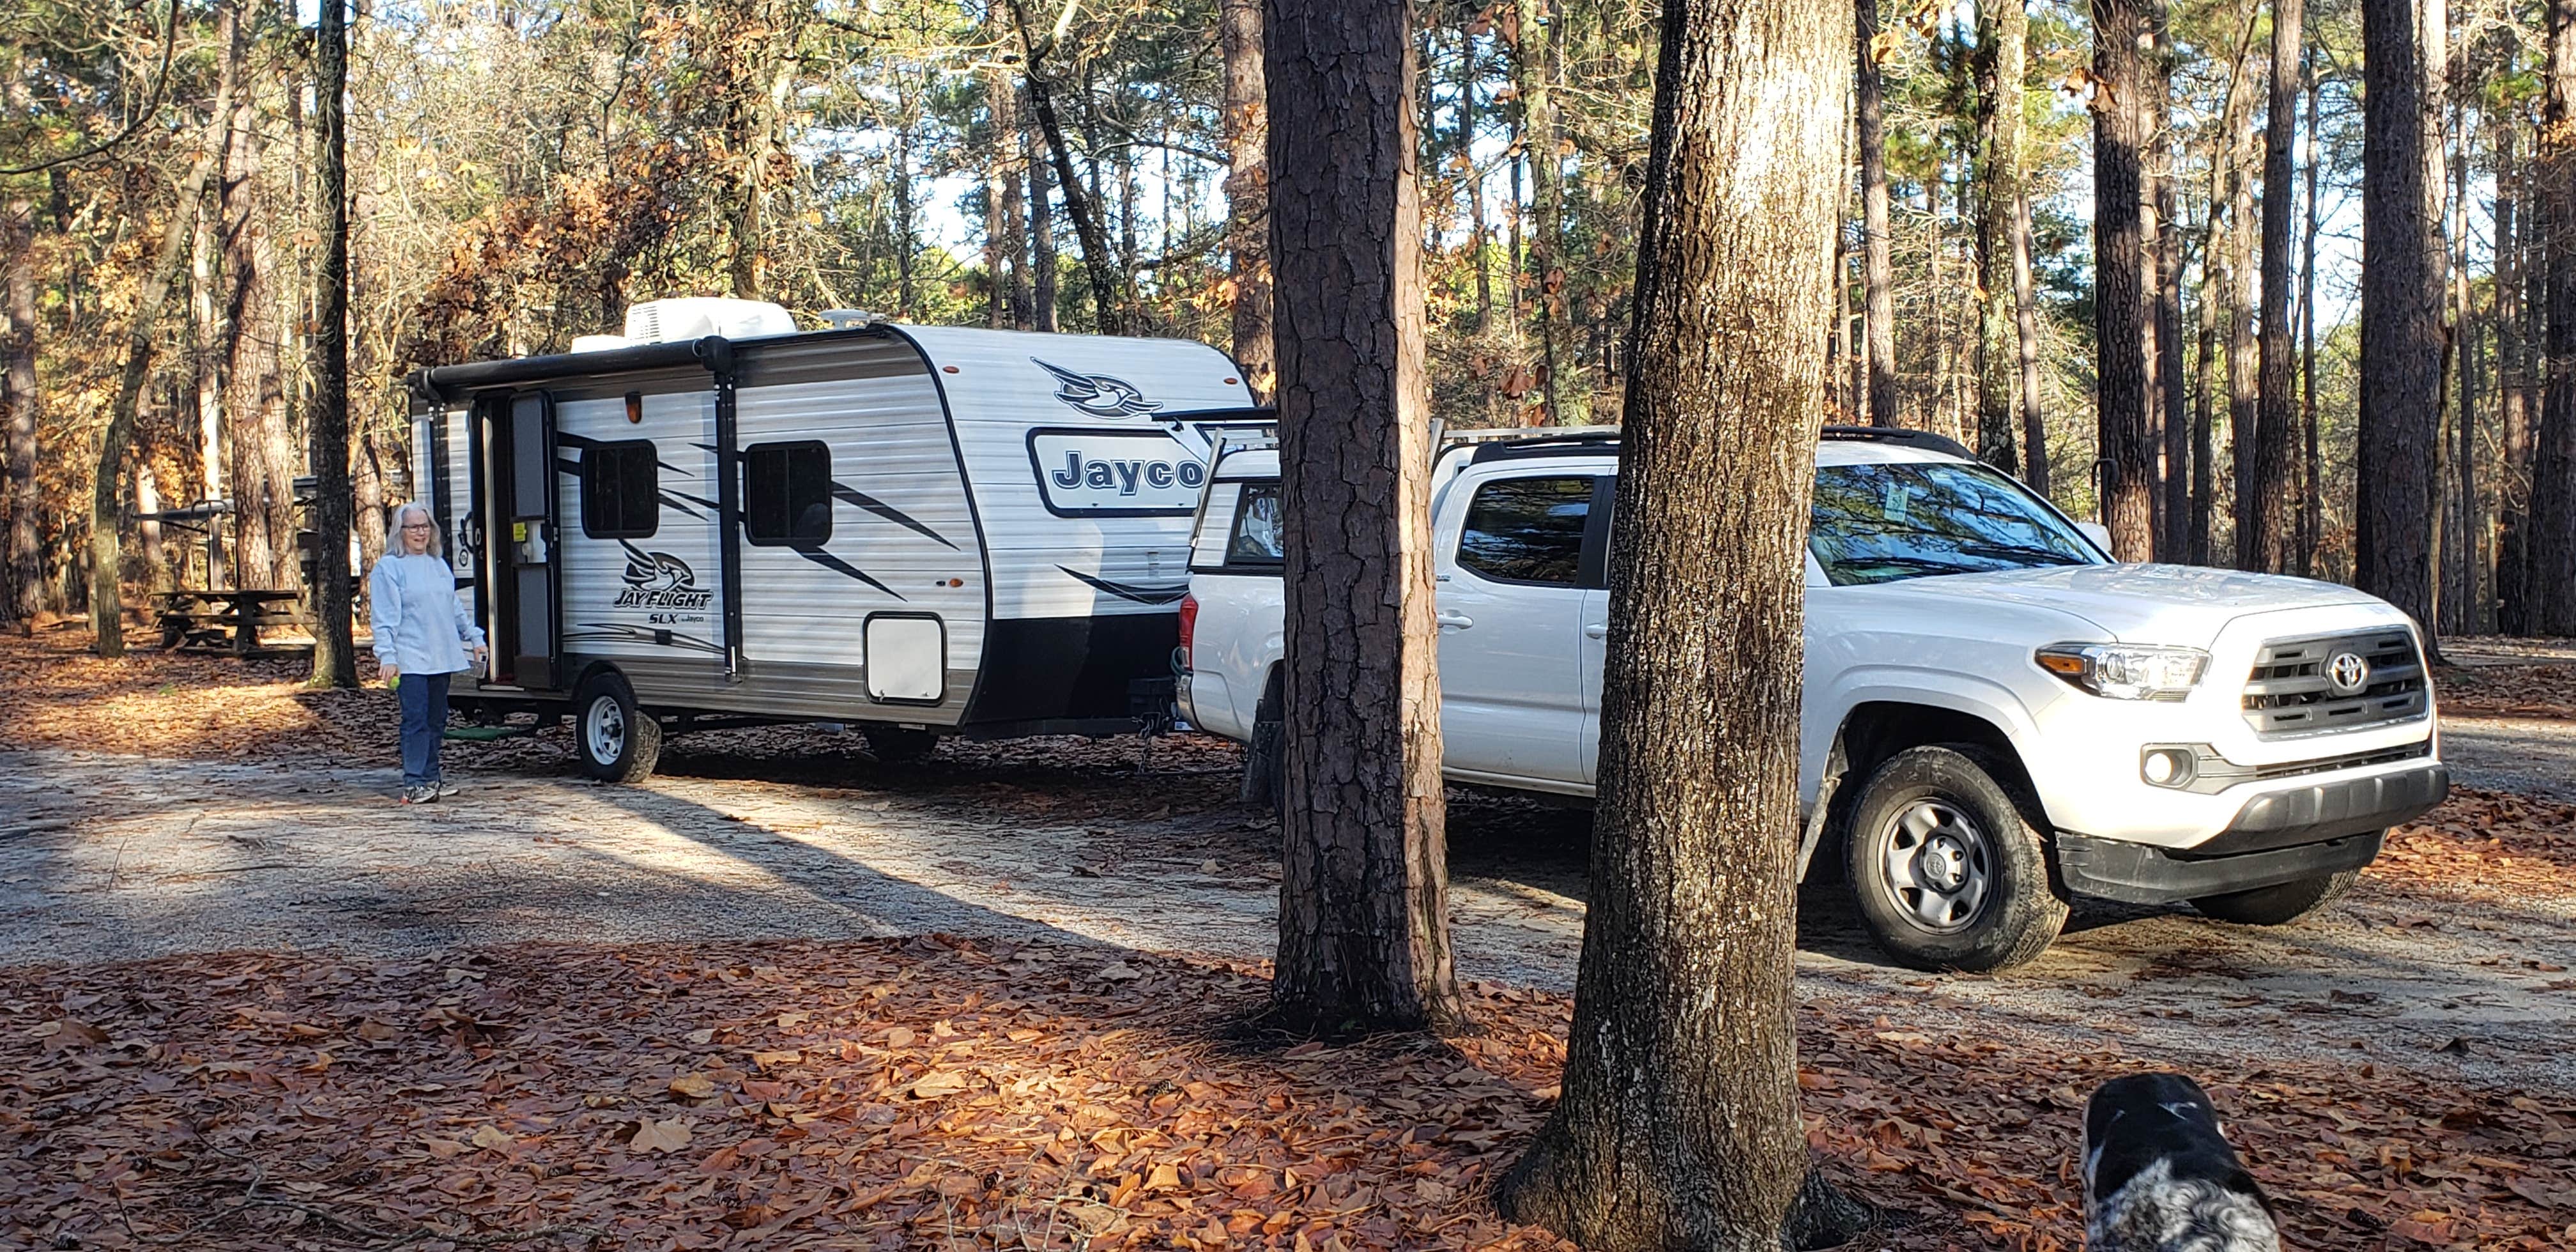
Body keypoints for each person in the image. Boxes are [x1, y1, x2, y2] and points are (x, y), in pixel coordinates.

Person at [371, 503, 487, 804]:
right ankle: (414, 781)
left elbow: (454, 608)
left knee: (437, 719)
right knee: (416, 719)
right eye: (413, 527)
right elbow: (384, 617)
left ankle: (431, 777)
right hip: (410, 657)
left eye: (425, 526)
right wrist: (387, 655)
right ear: (401, 531)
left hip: (440, 655)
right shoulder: (389, 568)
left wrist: (474, 637)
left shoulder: (438, 564)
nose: (420, 532)